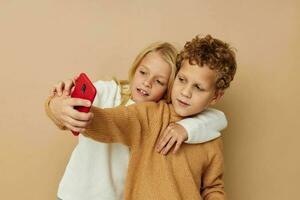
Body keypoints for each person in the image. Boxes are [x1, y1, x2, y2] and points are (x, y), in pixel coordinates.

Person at [46, 41, 228, 200]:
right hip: (76, 194)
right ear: (135, 68)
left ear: (167, 89)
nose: (147, 83)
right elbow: (109, 121)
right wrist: (58, 106)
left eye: (159, 81)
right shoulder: (113, 95)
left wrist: (189, 128)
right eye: (143, 72)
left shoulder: (205, 130)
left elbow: (212, 186)